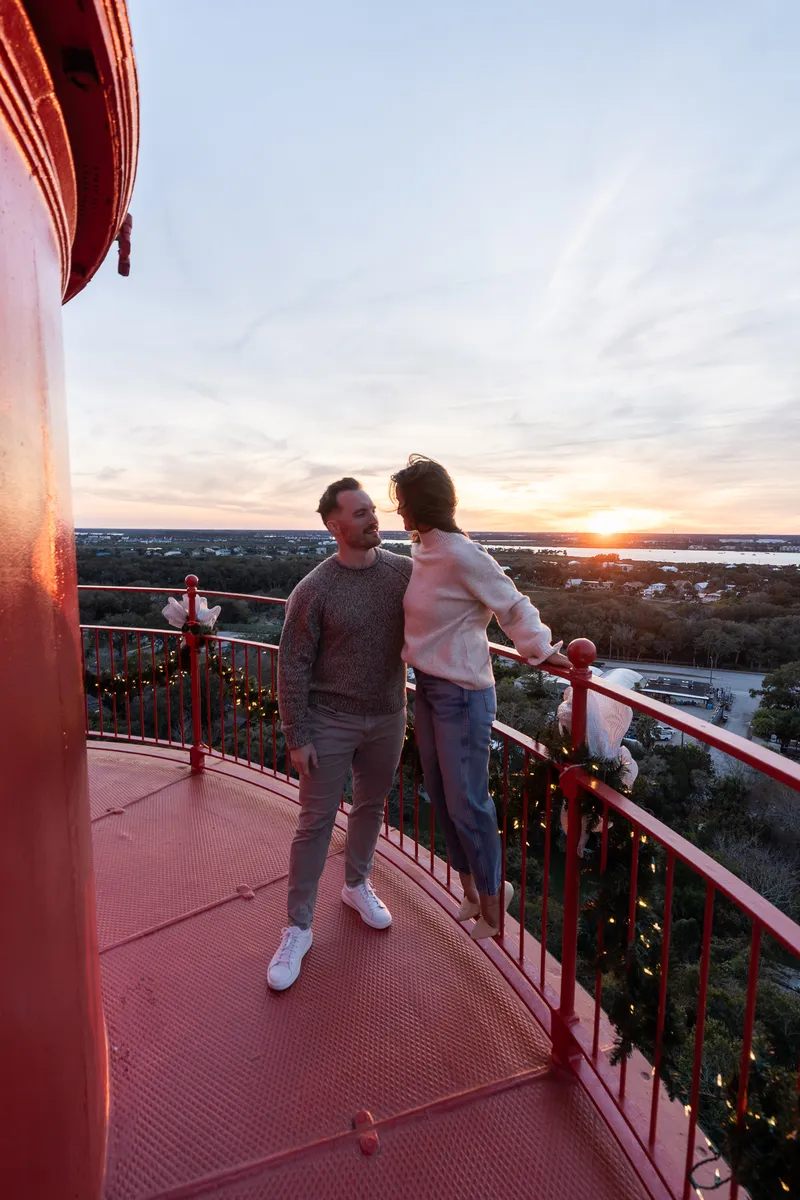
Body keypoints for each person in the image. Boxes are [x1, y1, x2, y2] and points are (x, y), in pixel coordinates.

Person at [390, 455, 570, 940]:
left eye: (403, 503)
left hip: (463, 695)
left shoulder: (461, 553)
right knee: (444, 797)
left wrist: (540, 649)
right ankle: (472, 892)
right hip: (428, 687)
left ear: (423, 505)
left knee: (469, 801)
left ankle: (495, 904)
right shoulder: (426, 550)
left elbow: (511, 603)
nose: (399, 512)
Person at [267, 478, 412, 990]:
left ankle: (356, 885)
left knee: (371, 808)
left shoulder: (402, 573)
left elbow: (453, 601)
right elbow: (293, 665)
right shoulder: (315, 589)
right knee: (315, 821)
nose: (374, 519)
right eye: (361, 513)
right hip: (329, 721)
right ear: (334, 525)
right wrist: (297, 733)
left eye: (374, 510)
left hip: (389, 715)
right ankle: (298, 927)